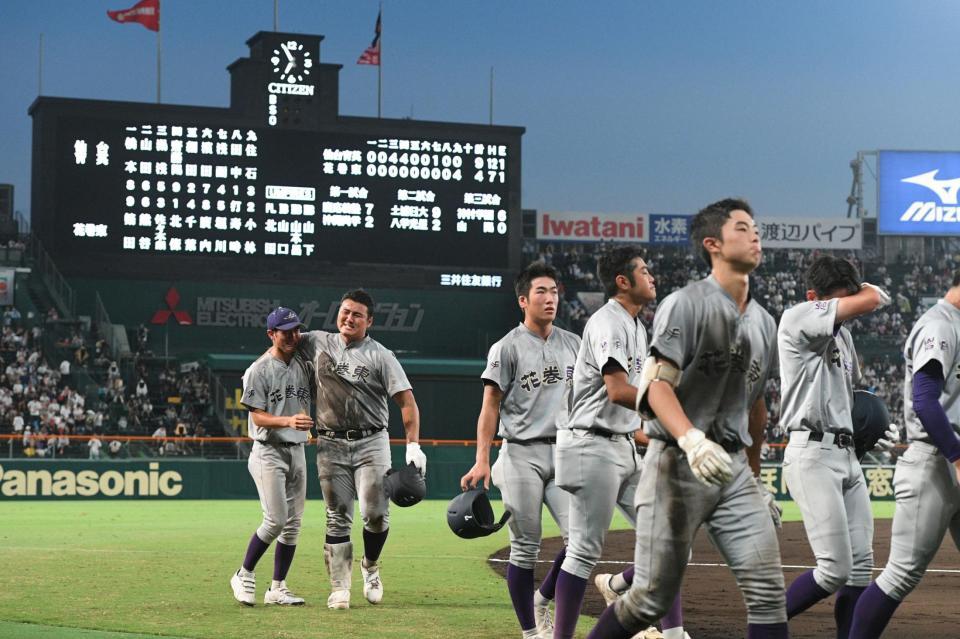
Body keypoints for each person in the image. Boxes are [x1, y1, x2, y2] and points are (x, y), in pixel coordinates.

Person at [587, 198, 785, 638]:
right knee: (650, 598)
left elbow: (756, 406)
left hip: (732, 470)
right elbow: (657, 386)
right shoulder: (686, 304)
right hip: (675, 462)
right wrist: (692, 439)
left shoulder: (765, 323)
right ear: (713, 244)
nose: (755, 234)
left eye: (755, 227)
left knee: (769, 594)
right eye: (742, 227)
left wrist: (754, 477)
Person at [552, 246, 689, 639]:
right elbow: (616, 390)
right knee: (582, 552)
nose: (653, 277)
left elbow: (636, 399)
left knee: (669, 540)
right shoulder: (608, 322)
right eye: (644, 271)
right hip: (590, 446)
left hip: (623, 445)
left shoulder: (636, 325)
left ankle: (662, 625)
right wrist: (675, 416)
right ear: (622, 281)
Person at [460, 263, 581, 639]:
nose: (551, 298)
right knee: (525, 547)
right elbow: (490, 406)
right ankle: (531, 632)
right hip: (520, 454)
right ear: (523, 300)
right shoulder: (507, 347)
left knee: (580, 540)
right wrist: (482, 458)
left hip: (564, 452)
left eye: (555, 291)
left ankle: (541, 598)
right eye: (542, 292)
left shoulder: (575, 344)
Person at [777, 256, 895, 637]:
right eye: (839, 302)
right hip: (811, 452)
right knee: (834, 569)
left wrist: (871, 416)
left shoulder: (842, 334)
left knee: (861, 567)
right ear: (814, 297)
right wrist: (860, 293)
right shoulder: (798, 316)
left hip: (846, 454)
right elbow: (874, 298)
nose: (847, 311)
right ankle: (763, 625)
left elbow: (854, 391)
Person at [298, 289, 426, 610]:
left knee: (375, 514)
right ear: (337, 313)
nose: (349, 318)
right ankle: (339, 587)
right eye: (345, 311)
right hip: (329, 441)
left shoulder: (381, 355)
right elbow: (284, 340)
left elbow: (406, 401)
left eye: (357, 314)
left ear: (369, 321)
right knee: (337, 516)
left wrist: (413, 445)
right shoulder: (317, 342)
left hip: (372, 441)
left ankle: (370, 565)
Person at [849, 271, 960, 638]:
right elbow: (925, 401)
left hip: (950, 457)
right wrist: (958, 457)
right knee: (901, 574)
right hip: (935, 460)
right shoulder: (940, 325)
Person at [230, 306, 313, 607]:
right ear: (271, 334)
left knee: (293, 524)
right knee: (275, 520)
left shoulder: (304, 364)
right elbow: (258, 418)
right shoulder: (258, 369)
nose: (292, 336)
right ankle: (244, 573)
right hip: (268, 452)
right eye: (285, 331)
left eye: (295, 330)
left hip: (297, 450)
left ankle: (278, 587)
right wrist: (289, 421)